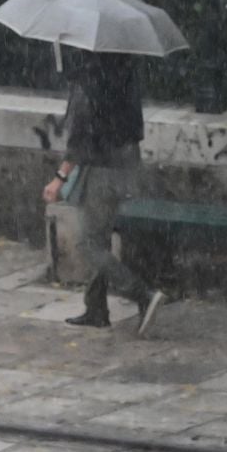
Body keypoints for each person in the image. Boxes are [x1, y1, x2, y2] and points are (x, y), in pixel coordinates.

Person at [46, 53, 167, 335]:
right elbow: (133, 128)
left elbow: (79, 138)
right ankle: (96, 307)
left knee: (89, 244)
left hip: (102, 170)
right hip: (126, 167)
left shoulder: (88, 79)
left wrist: (59, 178)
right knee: (99, 237)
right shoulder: (126, 71)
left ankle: (143, 295)